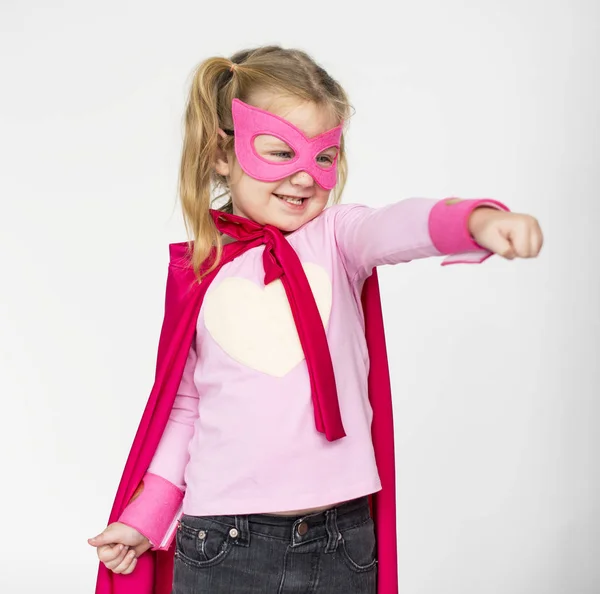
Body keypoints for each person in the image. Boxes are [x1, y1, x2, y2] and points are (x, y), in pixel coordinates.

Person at [87, 46, 543, 594]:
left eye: (323, 158)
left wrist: (472, 220)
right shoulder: (201, 272)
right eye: (280, 152)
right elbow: (185, 407)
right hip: (222, 545)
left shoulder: (337, 240)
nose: (305, 178)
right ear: (221, 155)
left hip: (341, 541)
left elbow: (393, 226)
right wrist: (148, 515)